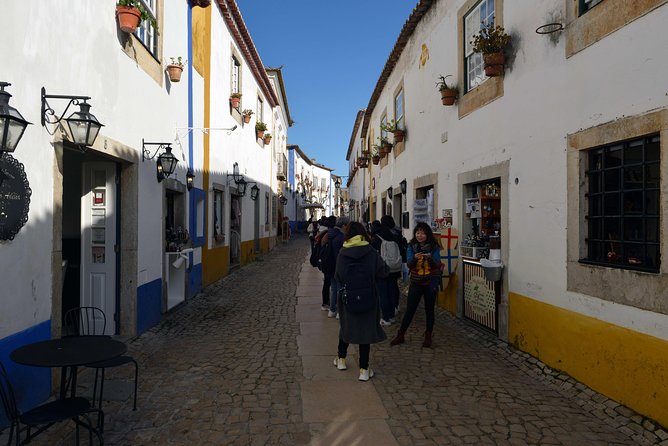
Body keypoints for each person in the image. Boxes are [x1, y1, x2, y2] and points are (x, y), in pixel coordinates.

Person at [333, 221, 389, 381]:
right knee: (365, 332)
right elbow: (383, 271)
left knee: (346, 327)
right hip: (368, 295)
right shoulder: (370, 251)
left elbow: (338, 275)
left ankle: (341, 360)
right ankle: (364, 369)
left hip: (347, 296)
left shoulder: (343, 252)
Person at [390, 222, 442, 348]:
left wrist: (429, 258)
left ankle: (428, 335)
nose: (420, 235)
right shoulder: (411, 246)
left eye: (423, 233)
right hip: (416, 282)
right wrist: (414, 258)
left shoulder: (434, 247)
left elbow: (437, 264)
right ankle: (401, 334)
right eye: (418, 233)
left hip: (430, 282)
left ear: (427, 234)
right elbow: (409, 264)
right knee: (410, 309)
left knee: (429, 309)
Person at [371, 215, 406, 326]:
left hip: (383, 267)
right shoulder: (397, 234)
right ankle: (392, 313)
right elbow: (401, 249)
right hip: (395, 266)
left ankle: (386, 317)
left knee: (383, 293)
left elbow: (374, 253)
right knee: (392, 289)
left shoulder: (378, 236)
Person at [326, 216, 350, 318]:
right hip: (338, 265)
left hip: (330, 265)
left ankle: (332, 310)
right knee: (340, 289)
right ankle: (340, 312)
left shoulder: (330, 234)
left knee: (333, 288)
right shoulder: (341, 237)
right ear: (344, 226)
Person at [315, 216, 336, 311]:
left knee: (327, 283)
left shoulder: (325, 233)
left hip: (325, 262)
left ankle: (325, 302)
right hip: (329, 261)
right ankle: (328, 303)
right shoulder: (330, 234)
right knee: (331, 284)